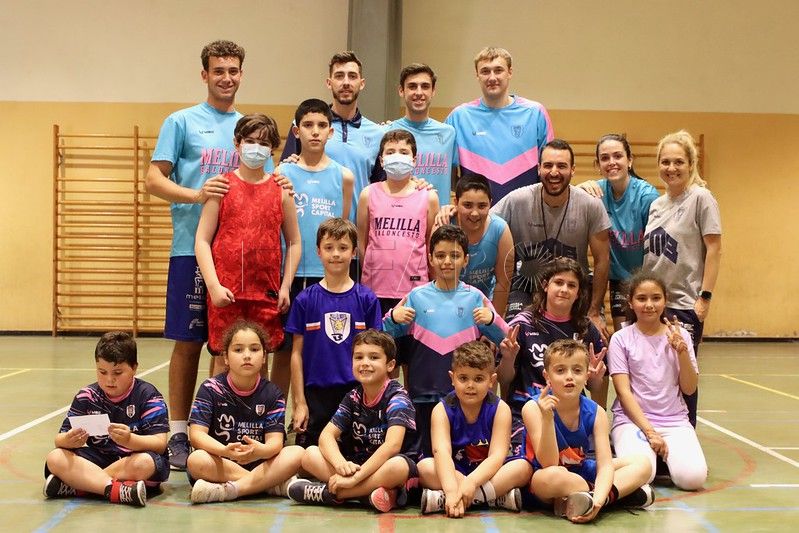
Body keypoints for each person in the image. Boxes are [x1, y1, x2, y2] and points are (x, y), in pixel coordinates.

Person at [144, 40, 272, 470]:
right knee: (189, 342)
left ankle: (224, 429)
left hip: (243, 260)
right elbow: (152, 179)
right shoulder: (180, 121)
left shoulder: (250, 128)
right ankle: (179, 433)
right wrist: (196, 195)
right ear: (205, 74)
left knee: (238, 347)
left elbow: (266, 183)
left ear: (241, 73)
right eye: (218, 70)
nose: (226, 77)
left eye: (233, 70)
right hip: (191, 249)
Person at [383, 225, 508, 456]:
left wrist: (491, 320)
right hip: (423, 393)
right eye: (440, 255)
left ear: (466, 259)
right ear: (430, 258)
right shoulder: (415, 297)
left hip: (464, 398)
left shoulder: (475, 298)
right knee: (424, 455)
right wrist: (392, 317)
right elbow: (380, 338)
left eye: (455, 255)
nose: (447, 261)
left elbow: (507, 338)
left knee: (461, 454)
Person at [194, 113, 301, 378]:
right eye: (250, 141)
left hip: (265, 292)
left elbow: (295, 241)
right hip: (226, 293)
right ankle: (216, 417)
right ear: (237, 143)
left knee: (258, 358)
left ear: (272, 148)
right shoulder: (221, 187)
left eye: (263, 143)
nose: (256, 148)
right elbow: (202, 240)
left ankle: (259, 418)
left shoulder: (282, 190)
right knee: (224, 358)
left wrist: (286, 285)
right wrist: (214, 286)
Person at [491, 139, 611, 342]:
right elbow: (482, 223)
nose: (554, 172)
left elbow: (602, 261)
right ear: (539, 168)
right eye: (548, 165)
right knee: (512, 339)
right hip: (526, 285)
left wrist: (594, 311)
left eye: (562, 166)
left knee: (593, 341)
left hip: (574, 286)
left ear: (573, 170)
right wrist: (451, 210)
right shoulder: (517, 200)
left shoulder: (590, 205)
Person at [521, 339, 653, 523]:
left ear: (586, 376)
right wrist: (548, 418)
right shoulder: (533, 408)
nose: (569, 377)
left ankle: (591, 499)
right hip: (548, 481)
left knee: (643, 463)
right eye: (560, 370)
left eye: (577, 370)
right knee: (550, 477)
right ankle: (613, 494)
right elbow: (548, 462)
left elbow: (605, 464)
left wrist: (598, 500)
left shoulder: (596, 412)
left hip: (581, 471)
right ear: (547, 376)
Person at [288, 330, 417, 512]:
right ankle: (368, 495)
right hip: (356, 467)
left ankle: (335, 494)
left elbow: (392, 446)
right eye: (359, 357)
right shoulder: (354, 397)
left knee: (398, 467)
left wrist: (354, 479)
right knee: (310, 454)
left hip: (387, 467)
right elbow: (326, 436)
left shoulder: (398, 397)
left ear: (390, 365)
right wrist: (341, 464)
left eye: (373, 357)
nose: (365, 363)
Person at [643, 130, 722, 426]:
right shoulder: (656, 205)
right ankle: (656, 438)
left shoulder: (701, 198)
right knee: (654, 373)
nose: (671, 168)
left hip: (684, 302)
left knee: (683, 372)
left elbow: (714, 249)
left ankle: (685, 435)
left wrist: (705, 297)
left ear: (690, 164)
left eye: (678, 161)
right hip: (653, 304)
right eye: (665, 162)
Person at [286, 218, 383, 447]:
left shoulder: (367, 299)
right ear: (318, 252)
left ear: (354, 252)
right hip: (316, 394)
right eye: (329, 248)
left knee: (358, 454)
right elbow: (296, 355)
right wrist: (299, 402)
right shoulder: (304, 300)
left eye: (343, 248)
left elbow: (376, 354)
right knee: (307, 456)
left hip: (356, 392)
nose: (336, 254)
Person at [43, 332, 169, 507]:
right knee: (55, 457)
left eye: (118, 372)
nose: (109, 379)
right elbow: (59, 439)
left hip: (134, 460)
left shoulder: (148, 395)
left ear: (134, 367)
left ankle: (81, 485)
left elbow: (160, 443)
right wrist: (69, 440)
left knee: (145, 463)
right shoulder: (87, 396)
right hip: (100, 457)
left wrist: (130, 440)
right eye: (102, 372)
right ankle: (116, 489)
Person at [187, 320, 304, 503]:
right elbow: (196, 436)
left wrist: (260, 451)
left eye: (255, 349)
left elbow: (275, 444)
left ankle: (231, 490)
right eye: (238, 350)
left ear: (264, 356)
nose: (247, 356)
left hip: (260, 463)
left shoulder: (273, 393)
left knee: (296, 453)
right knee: (196, 460)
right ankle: (268, 485)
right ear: (225, 357)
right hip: (223, 462)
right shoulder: (210, 388)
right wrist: (225, 450)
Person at [608, 273, 707, 490]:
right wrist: (650, 432)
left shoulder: (680, 335)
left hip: (674, 421)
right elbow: (623, 393)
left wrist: (681, 352)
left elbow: (689, 388)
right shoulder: (621, 338)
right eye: (642, 299)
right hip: (633, 421)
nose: (649, 305)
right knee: (645, 473)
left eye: (656, 298)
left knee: (693, 479)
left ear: (665, 300)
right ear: (630, 303)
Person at [417, 341, 531, 516]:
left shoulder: (501, 409)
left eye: (478, 379)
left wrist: (471, 483)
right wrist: (450, 489)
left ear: (492, 381)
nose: (470, 385)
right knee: (425, 467)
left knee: (523, 468)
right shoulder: (441, 410)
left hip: (489, 474)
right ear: (452, 378)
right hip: (455, 473)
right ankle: (492, 498)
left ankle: (454, 501)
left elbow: (497, 456)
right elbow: (442, 453)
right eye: (463, 378)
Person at [497, 257, 607, 414]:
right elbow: (504, 379)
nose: (564, 289)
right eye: (559, 282)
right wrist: (508, 357)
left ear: (578, 293)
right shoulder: (522, 324)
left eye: (571, 285)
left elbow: (593, 387)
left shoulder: (586, 329)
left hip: (570, 411)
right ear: (545, 286)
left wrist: (595, 379)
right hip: (526, 408)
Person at [445, 46, 554, 203]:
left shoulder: (535, 113)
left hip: (526, 212)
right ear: (477, 75)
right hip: (477, 217)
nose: (492, 77)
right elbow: (446, 172)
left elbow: (550, 167)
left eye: (498, 70)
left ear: (510, 72)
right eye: (485, 71)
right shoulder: (459, 117)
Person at [281, 51, 385, 212]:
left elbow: (382, 188)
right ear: (329, 83)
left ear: (362, 83)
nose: (346, 82)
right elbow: (286, 174)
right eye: (339, 76)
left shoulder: (377, 133)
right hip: (310, 223)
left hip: (356, 229)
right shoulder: (304, 126)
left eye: (352, 76)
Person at [578, 134, 660, 330]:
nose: (611, 162)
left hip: (647, 276)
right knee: (624, 334)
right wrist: (579, 187)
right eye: (605, 158)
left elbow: (659, 248)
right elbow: (567, 198)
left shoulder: (646, 196)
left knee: (646, 332)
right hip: (619, 279)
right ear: (597, 164)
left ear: (629, 160)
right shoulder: (595, 191)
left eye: (618, 156)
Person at [357, 129, 439, 315]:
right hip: (374, 289)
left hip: (415, 290)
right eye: (390, 152)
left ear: (414, 160)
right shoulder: (368, 194)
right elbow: (362, 242)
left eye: (404, 152)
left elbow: (430, 246)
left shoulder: (428, 197)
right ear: (381, 160)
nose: (397, 156)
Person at [377, 63, 457, 205]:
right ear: (401, 91)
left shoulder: (449, 134)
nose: (419, 92)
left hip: (438, 222)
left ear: (433, 91)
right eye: (412, 86)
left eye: (425, 86)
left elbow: (459, 180)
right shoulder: (387, 132)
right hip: (400, 219)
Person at [440, 174, 514, 318]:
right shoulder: (443, 225)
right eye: (467, 205)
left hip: (484, 307)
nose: (474, 213)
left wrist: (494, 323)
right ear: (456, 202)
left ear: (490, 204)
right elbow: (434, 277)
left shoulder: (500, 230)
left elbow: (503, 283)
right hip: (446, 305)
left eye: (482, 206)